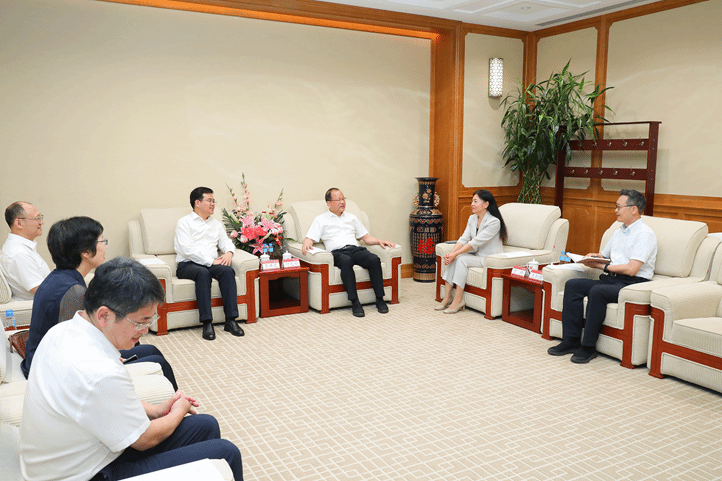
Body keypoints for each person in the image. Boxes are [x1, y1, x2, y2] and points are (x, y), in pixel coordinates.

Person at [20, 257, 244, 481]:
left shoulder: (62, 331)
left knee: (206, 425)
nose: (145, 330)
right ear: (104, 315)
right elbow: (145, 439)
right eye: (140, 322)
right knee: (226, 453)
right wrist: (179, 409)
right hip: (84, 474)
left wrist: (156, 410)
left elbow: (102, 403)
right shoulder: (100, 372)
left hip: (86, 451)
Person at [20, 216, 178, 390]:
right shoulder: (73, 292)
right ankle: (176, 403)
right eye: (102, 241)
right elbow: (74, 347)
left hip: (43, 361)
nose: (105, 246)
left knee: (151, 350)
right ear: (86, 252)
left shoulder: (59, 278)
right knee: (158, 362)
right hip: (52, 372)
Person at [548, 189, 657, 364]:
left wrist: (602, 266)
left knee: (598, 292)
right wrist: (593, 257)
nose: (616, 210)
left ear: (633, 209)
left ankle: (588, 347)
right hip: (612, 279)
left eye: (619, 207)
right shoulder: (618, 231)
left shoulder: (645, 234)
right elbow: (605, 255)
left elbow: (632, 269)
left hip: (632, 284)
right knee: (573, 285)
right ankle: (571, 340)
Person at [302, 188, 396, 318]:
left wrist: (380, 241)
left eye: (343, 199)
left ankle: (380, 299)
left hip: (355, 249)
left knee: (374, 259)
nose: (342, 202)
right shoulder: (320, 220)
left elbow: (366, 238)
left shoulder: (352, 218)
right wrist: (307, 242)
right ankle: (355, 301)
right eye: (338, 199)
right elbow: (310, 238)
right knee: (346, 262)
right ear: (329, 203)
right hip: (337, 253)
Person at [175, 187, 244, 341]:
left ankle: (231, 321)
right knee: (203, 273)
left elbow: (226, 242)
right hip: (188, 264)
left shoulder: (216, 224)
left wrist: (229, 252)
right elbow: (187, 250)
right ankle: (207, 323)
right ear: (197, 203)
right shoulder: (184, 223)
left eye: (214, 201)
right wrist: (210, 261)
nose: (213, 204)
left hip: (212, 263)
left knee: (227, 271)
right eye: (209, 201)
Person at [436, 189, 507, 314]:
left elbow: (475, 242)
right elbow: (464, 238)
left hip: (490, 258)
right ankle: (447, 297)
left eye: (475, 201)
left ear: (486, 204)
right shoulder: (472, 218)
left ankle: (458, 300)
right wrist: (452, 253)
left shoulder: (494, 222)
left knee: (461, 259)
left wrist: (455, 254)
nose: (472, 204)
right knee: (454, 258)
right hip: (477, 254)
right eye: (472, 201)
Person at [1, 202, 50, 300]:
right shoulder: (19, 254)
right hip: (38, 306)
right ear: (19, 223)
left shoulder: (20, 248)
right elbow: (44, 293)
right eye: (37, 218)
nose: (41, 222)